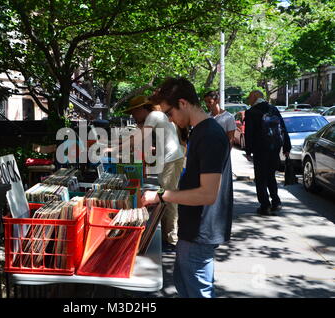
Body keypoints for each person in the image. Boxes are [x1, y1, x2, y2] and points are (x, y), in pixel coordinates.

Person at [142, 77, 233, 298]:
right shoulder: (200, 131)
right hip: (193, 227)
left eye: (169, 113)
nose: (169, 119)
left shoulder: (210, 135)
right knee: (185, 284)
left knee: (197, 291)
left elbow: (207, 194)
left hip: (201, 230)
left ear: (183, 103)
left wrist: (161, 195)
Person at [124, 95, 185, 246]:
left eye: (133, 112)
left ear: (141, 109)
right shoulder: (155, 116)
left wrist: (114, 146)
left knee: (169, 198)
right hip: (170, 160)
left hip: (170, 161)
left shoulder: (153, 115)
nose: (133, 116)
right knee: (166, 197)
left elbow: (139, 139)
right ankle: (168, 236)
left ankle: (172, 238)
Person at [244, 90, 291, 216]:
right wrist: (287, 147)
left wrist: (248, 151)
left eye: (249, 97)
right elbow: (283, 128)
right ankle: (276, 202)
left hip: (260, 149)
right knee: (271, 175)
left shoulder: (251, 112)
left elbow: (249, 133)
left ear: (254, 97)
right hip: (274, 148)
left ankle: (265, 206)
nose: (248, 99)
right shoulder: (273, 109)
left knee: (260, 178)